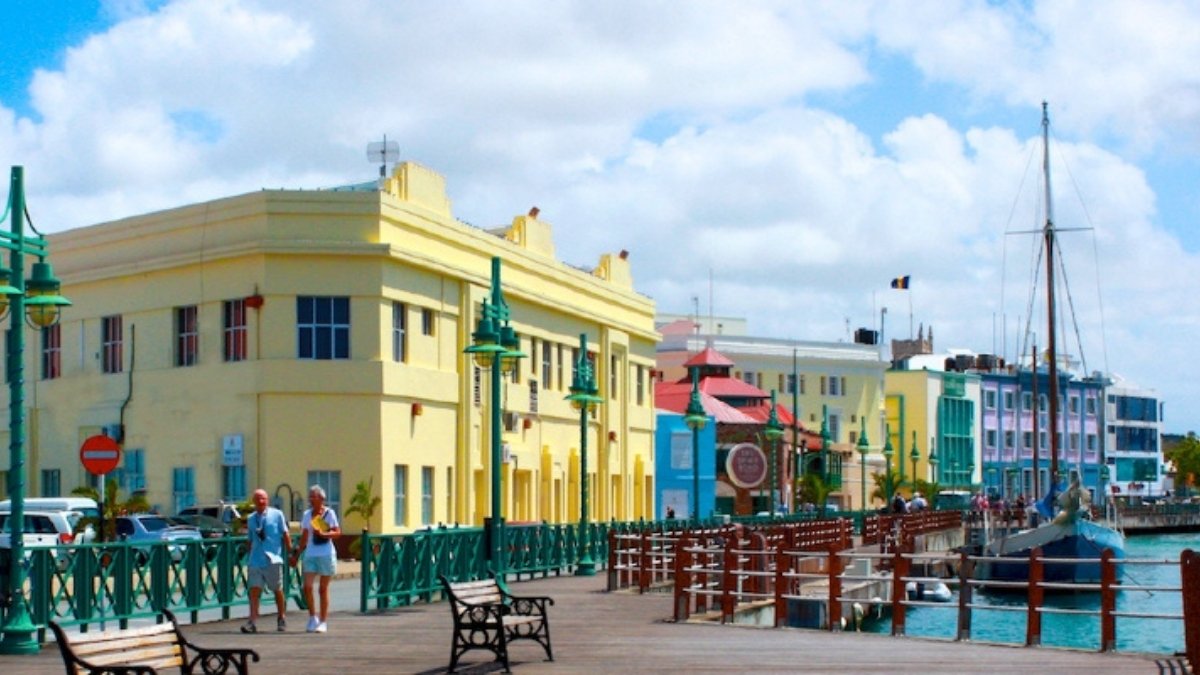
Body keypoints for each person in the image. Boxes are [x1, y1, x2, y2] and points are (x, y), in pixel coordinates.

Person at [292, 485, 341, 633]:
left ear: (321, 499)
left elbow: (337, 532)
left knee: (322, 589)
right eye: (310, 496)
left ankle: (323, 620)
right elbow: (305, 536)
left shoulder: (329, 513)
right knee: (306, 587)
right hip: (311, 553)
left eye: (314, 496)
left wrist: (324, 534)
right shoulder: (307, 515)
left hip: (326, 553)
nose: (311, 499)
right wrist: (297, 554)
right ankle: (312, 617)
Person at [243, 488, 291, 633]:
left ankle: (281, 616)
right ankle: (252, 621)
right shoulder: (251, 518)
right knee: (254, 590)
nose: (261, 501)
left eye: (263, 498)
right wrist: (248, 557)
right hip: (256, 558)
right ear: (254, 501)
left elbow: (285, 534)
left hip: (273, 558)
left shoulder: (277, 515)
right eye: (258, 498)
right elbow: (250, 539)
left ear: (267, 500)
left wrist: (291, 553)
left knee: (277, 589)